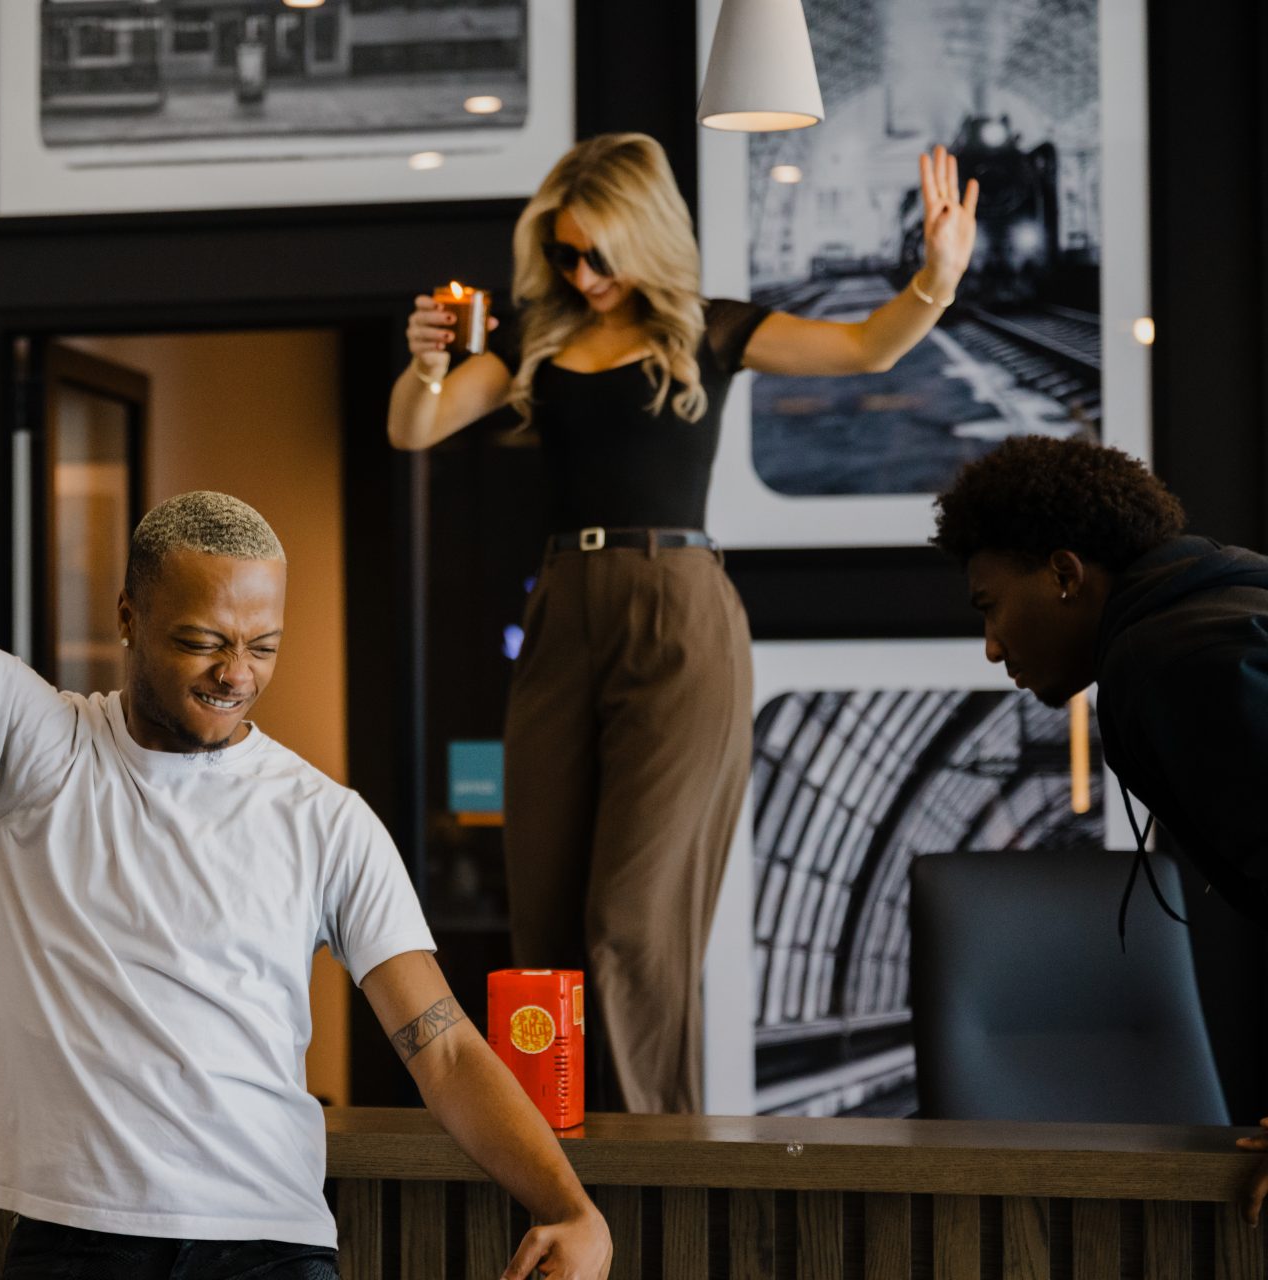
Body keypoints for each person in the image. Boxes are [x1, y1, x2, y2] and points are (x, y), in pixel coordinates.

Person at [0, 227, 613, 1279]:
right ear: (130, 619)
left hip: (271, 1243)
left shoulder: (324, 815)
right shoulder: (39, 746)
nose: (236, 671)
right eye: (201, 639)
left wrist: (568, 1205)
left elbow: (443, 1040)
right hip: (77, 1241)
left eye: (262, 644)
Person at [386, 132, 980, 1114]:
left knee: (631, 915)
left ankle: (646, 1162)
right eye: (567, 252)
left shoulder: (707, 331)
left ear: (645, 237)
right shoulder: (537, 342)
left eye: (599, 253)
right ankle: (556, 1149)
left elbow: (865, 345)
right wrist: (432, 364)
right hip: (562, 612)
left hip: (679, 613)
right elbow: (413, 426)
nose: (583, 272)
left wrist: (936, 277)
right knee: (544, 913)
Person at [930, 434, 1268, 1222]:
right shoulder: (1227, 597)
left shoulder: (1178, 660)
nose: (990, 647)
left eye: (989, 605)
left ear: (1063, 574)